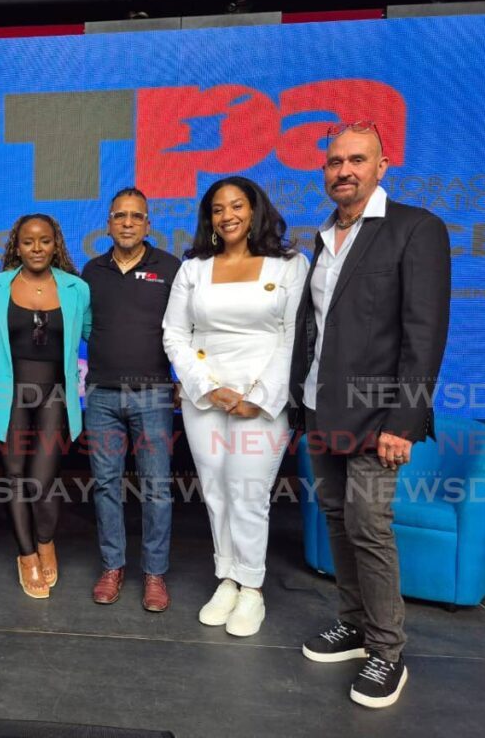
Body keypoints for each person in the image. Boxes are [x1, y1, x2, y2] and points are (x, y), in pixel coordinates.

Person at [290, 120, 450, 708]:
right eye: (334, 161)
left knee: (368, 525)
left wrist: (404, 424)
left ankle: (387, 651)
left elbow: (424, 334)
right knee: (337, 518)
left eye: (358, 159)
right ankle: (354, 624)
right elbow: (320, 329)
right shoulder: (323, 236)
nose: (344, 170)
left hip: (379, 416)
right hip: (319, 406)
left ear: (382, 167)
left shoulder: (416, 229)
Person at [163, 176, 307, 637]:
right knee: (216, 490)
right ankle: (227, 578)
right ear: (209, 218)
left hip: (262, 400)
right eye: (218, 208)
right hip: (205, 396)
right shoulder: (193, 269)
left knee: (247, 491)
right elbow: (174, 334)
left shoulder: (289, 265)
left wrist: (260, 396)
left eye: (237, 205)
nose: (228, 215)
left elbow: (294, 337)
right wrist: (209, 388)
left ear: (254, 210)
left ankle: (252, 590)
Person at [0, 214, 90, 599]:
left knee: (42, 480)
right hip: (5, 395)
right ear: (17, 246)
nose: (37, 248)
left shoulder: (77, 288)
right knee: (13, 477)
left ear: (55, 244)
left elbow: (91, 332)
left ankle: (46, 542)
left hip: (55, 395)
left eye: (44, 241)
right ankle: (26, 556)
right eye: (29, 241)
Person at [82, 187, 181, 611]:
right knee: (106, 485)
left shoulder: (171, 268)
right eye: (119, 216)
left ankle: (155, 574)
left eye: (135, 216)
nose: (126, 223)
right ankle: (113, 565)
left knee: (156, 488)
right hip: (101, 395)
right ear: (108, 223)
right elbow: (86, 328)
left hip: (154, 395)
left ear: (147, 223)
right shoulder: (92, 271)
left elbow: (185, 327)